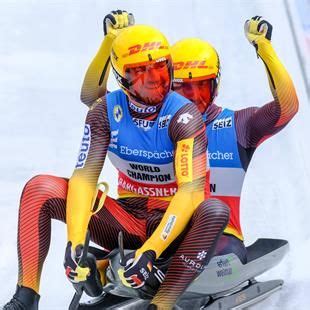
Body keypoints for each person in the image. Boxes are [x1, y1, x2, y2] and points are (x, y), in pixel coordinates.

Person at [2, 19, 229, 310]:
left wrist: (150, 251)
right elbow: (84, 180)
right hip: (128, 219)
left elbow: (191, 194)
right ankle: (26, 297)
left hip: (175, 225)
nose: (152, 81)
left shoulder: (184, 117)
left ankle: (162, 302)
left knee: (213, 209)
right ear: (122, 78)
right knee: (40, 189)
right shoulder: (104, 113)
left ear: (170, 68)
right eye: (139, 73)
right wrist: (75, 242)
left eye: (159, 69)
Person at [80, 13, 299, 264]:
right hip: (158, 230)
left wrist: (264, 47)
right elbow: (92, 96)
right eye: (183, 87)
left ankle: (127, 266)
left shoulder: (237, 126)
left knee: (220, 253)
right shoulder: (144, 118)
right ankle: (123, 265)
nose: (194, 97)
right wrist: (112, 40)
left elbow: (287, 107)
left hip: (217, 236)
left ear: (215, 86)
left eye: (202, 86)